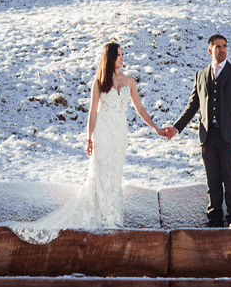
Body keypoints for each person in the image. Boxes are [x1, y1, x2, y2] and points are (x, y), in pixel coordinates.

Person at [12, 39, 167, 242]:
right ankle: (101, 216)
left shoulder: (130, 82)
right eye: (119, 54)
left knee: (114, 174)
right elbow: (92, 113)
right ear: (110, 58)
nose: (122, 58)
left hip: (119, 135)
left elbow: (140, 109)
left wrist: (155, 128)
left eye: (122, 54)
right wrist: (89, 138)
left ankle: (112, 215)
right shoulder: (99, 82)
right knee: (100, 173)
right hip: (102, 133)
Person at [162, 33, 231, 227]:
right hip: (208, 135)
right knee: (212, 179)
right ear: (210, 50)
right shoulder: (201, 75)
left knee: (230, 176)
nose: (222, 49)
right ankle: (214, 219)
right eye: (218, 46)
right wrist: (176, 128)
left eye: (225, 46)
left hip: (229, 135)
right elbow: (193, 105)